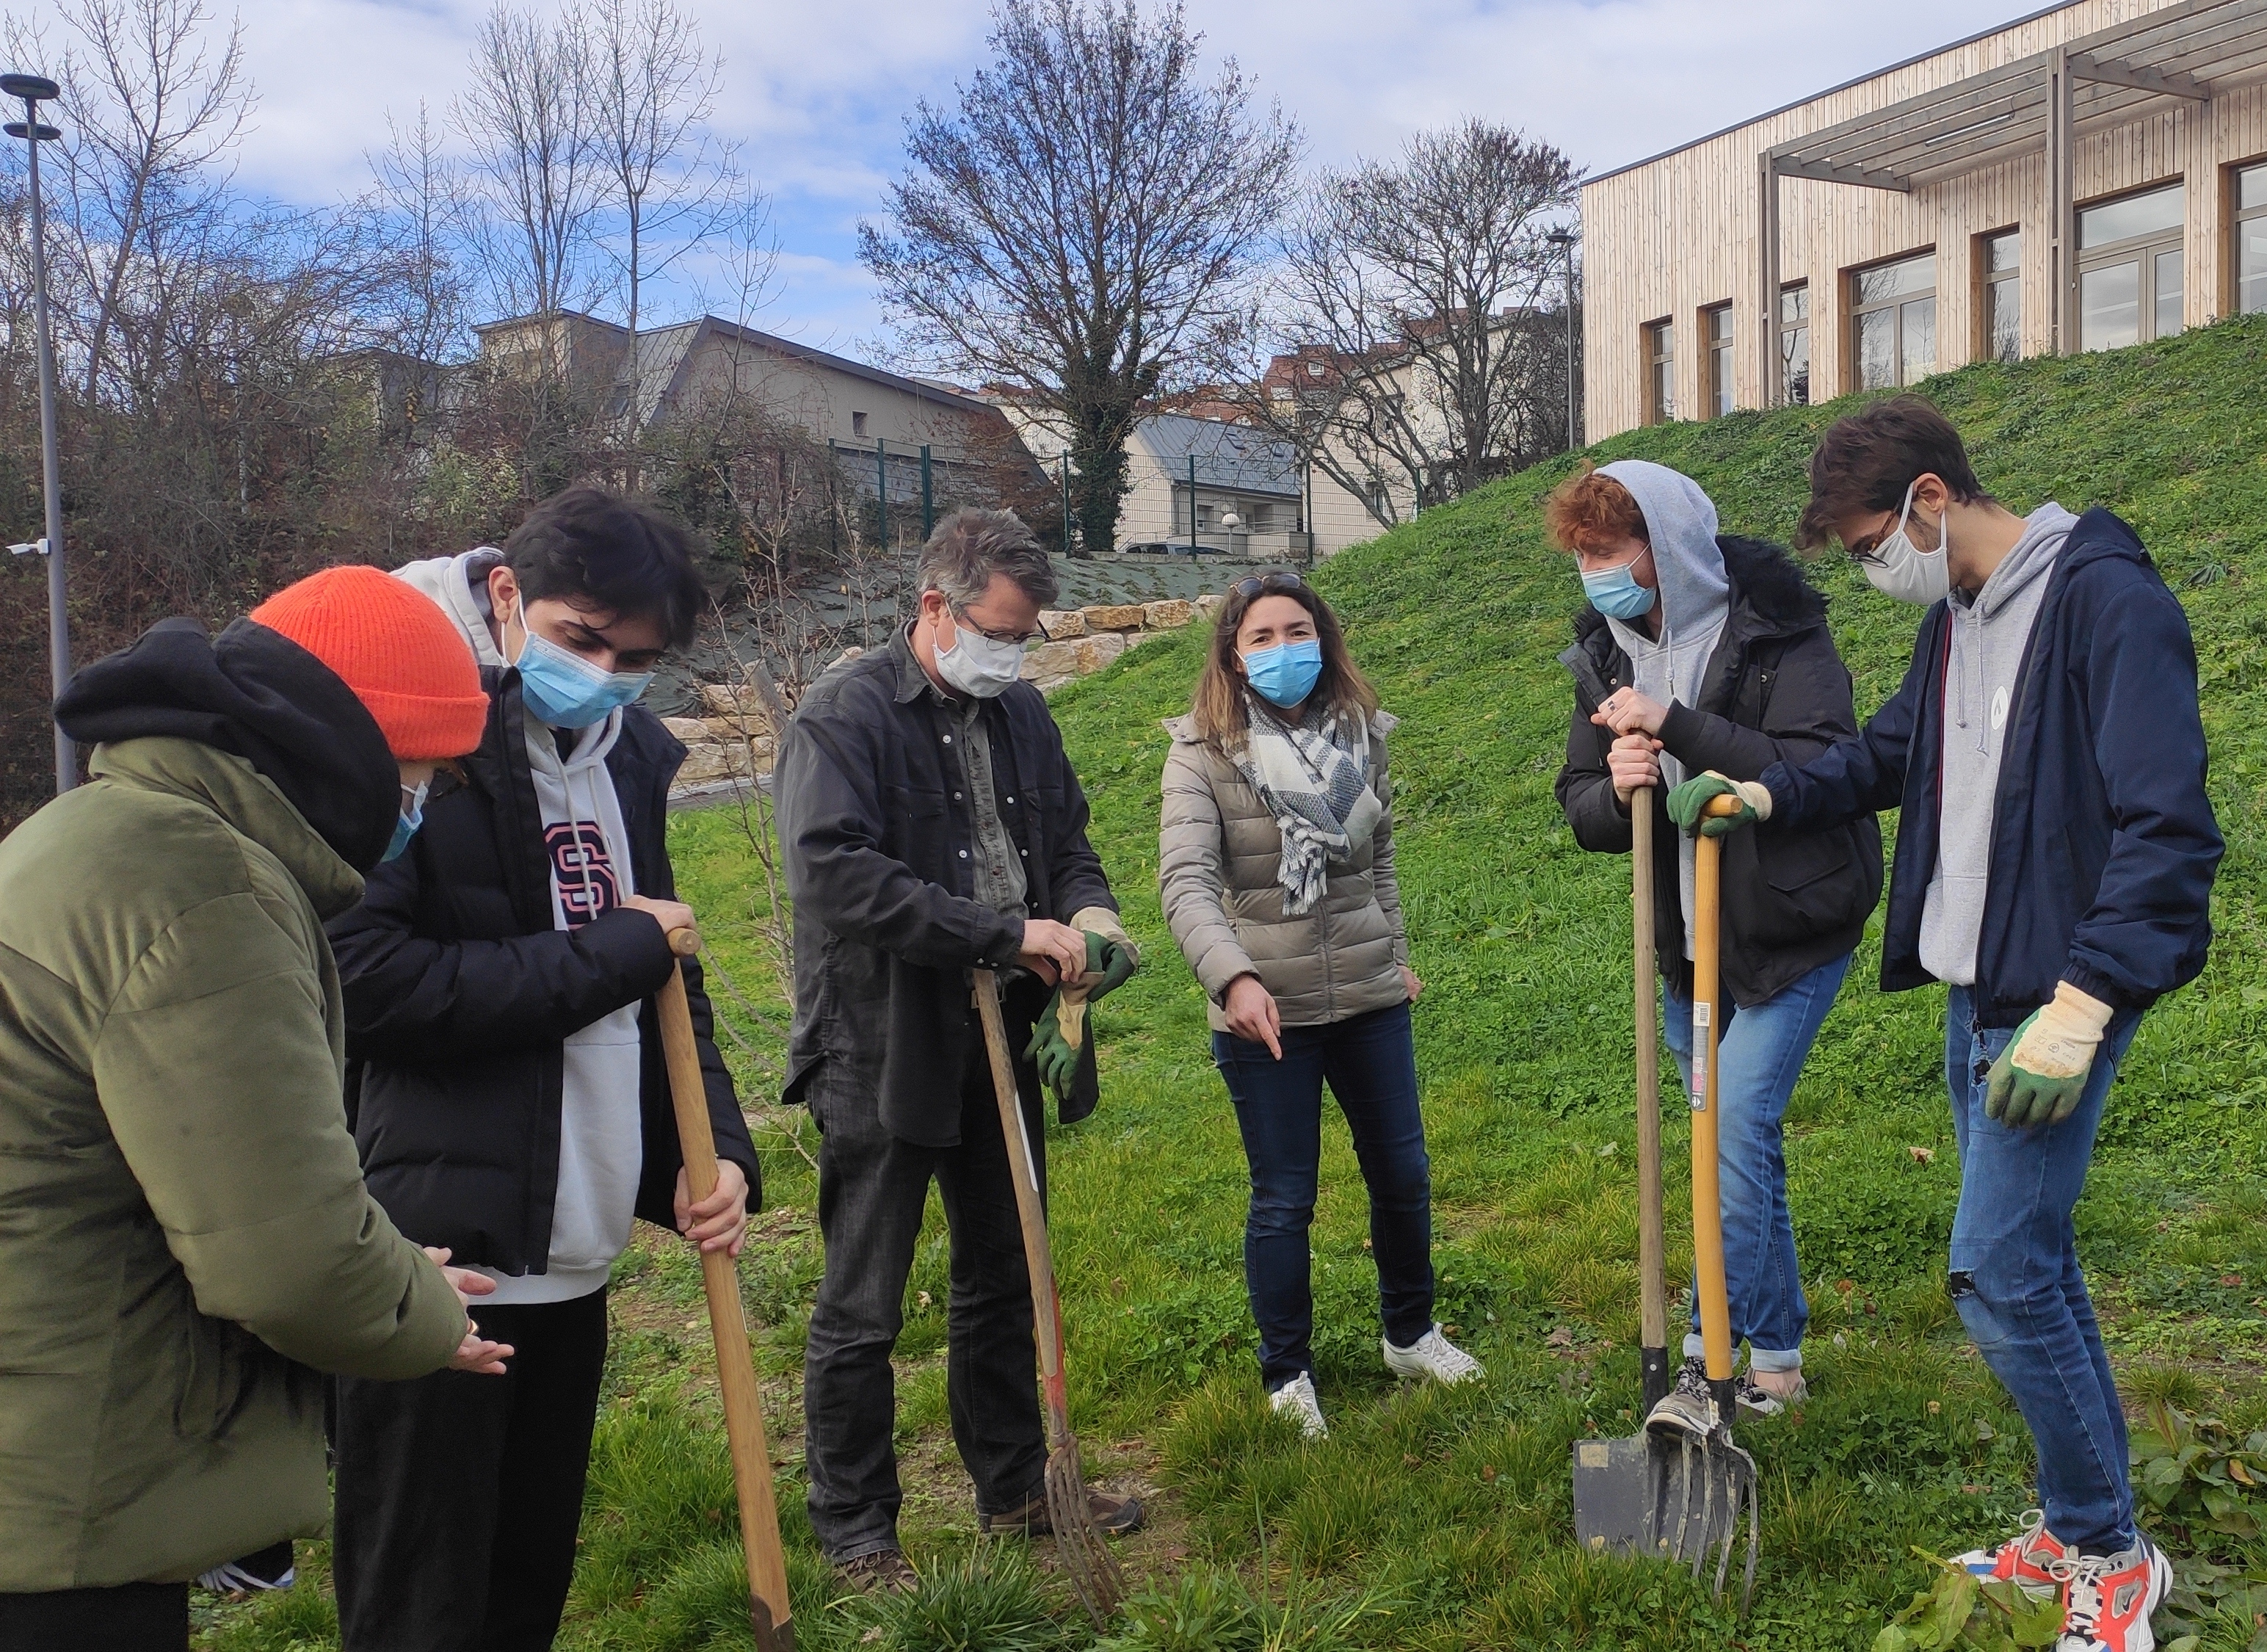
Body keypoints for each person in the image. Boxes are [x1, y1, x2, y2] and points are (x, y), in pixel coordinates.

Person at [1671, 395, 2221, 1652]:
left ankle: (2110, 1557)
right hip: (1980, 990)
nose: (1875, 573)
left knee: (1996, 1273)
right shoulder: (1953, 620)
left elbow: (2168, 828)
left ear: (1930, 499)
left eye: (1873, 546)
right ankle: (2080, 1524)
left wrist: (2084, 1004)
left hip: (2056, 1001)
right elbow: (1881, 758)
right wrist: (1763, 791)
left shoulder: (2105, 603)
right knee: (2033, 1265)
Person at [0, 568, 509, 1652]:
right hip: (59, 1496)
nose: (421, 809)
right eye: (423, 777)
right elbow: (285, 1257)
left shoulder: (101, 830)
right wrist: (424, 1311)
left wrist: (374, 1258)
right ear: (356, 750)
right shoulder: (205, 888)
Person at [324, 488, 759, 1652]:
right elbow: (368, 983)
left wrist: (713, 1151)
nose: (607, 674)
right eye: (583, 639)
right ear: (509, 593)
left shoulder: (631, 759)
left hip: (575, 1248)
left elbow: (669, 974)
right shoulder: (412, 735)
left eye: (638, 659)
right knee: (422, 1606)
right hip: (439, 1261)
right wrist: (616, 950)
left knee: (526, 1591)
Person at [775, 507, 1141, 1590]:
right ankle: (856, 1525)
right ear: (936, 606)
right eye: (1000, 633)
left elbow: (1065, 842)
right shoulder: (844, 717)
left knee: (1004, 1266)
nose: (1013, 656)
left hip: (1005, 1030)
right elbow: (835, 874)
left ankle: (1014, 1483)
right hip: (882, 1038)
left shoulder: (1020, 712)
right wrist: (999, 931)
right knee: (864, 1297)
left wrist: (1092, 916)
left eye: (1026, 638)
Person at [1546, 461, 1882, 1426]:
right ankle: (1758, 1355)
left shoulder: (1776, 627)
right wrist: (1617, 784)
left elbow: (1822, 764)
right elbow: (1579, 801)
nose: (1597, 574)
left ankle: (1723, 1355)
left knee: (1731, 1126)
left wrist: (1678, 723)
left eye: (1612, 551)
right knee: (1723, 1138)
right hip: (1689, 945)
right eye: (1583, 556)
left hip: (1791, 922)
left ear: (1670, 546)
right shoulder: (1604, 653)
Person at [1158, 569, 1481, 1441]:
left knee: (1403, 1176)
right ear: (1233, 656)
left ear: (1322, 640)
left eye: (1296, 631)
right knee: (1284, 1199)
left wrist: (1396, 958)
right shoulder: (1201, 754)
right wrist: (1232, 979)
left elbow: (1380, 863)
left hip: (1371, 996)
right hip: (1266, 1010)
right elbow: (1185, 882)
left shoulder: (1360, 737)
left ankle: (1410, 1334)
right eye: (1261, 637)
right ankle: (1287, 1374)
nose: (1282, 650)